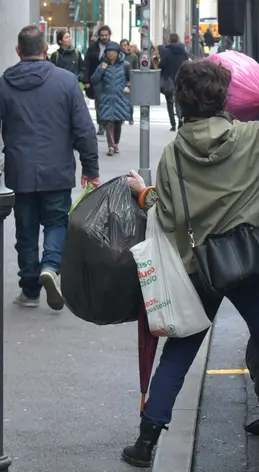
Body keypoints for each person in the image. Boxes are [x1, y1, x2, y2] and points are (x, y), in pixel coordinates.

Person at [119, 60, 259, 471]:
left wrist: (143, 195)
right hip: (251, 264)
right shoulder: (255, 138)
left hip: (200, 267)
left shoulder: (174, 153)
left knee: (181, 349)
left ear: (181, 101)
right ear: (225, 98)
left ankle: (145, 442)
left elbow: (169, 216)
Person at [0, 25, 101, 310]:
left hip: (20, 170)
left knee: (26, 229)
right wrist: (90, 168)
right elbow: (84, 129)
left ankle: (30, 290)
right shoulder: (67, 81)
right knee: (57, 222)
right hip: (57, 168)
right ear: (46, 50)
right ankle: (51, 266)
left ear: (18, 51)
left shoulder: (4, 84)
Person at [91, 41, 131, 156]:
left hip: (120, 97)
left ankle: (116, 143)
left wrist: (128, 87)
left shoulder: (125, 65)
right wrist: (101, 69)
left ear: (118, 53)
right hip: (106, 97)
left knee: (118, 122)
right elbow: (94, 79)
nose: (111, 54)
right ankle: (111, 147)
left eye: (113, 51)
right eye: (109, 51)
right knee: (108, 122)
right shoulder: (103, 64)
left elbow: (131, 79)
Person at [159, 33, 190, 131]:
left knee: (170, 102)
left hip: (169, 78)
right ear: (178, 39)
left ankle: (173, 124)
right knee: (179, 101)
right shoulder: (183, 52)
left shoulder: (165, 51)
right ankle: (180, 119)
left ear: (169, 40)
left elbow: (162, 64)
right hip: (181, 78)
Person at [85, 25, 111, 136]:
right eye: (102, 35)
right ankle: (101, 124)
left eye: (106, 35)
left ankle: (108, 123)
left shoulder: (113, 46)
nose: (104, 37)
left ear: (109, 35)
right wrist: (86, 79)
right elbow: (87, 63)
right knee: (99, 102)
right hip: (96, 78)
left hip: (110, 78)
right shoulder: (93, 47)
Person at [121, 40, 139, 125]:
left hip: (130, 79)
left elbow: (136, 69)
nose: (123, 47)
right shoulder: (119, 56)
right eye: (122, 45)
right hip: (121, 79)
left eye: (125, 45)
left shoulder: (133, 56)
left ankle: (130, 116)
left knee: (129, 101)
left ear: (128, 46)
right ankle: (122, 116)